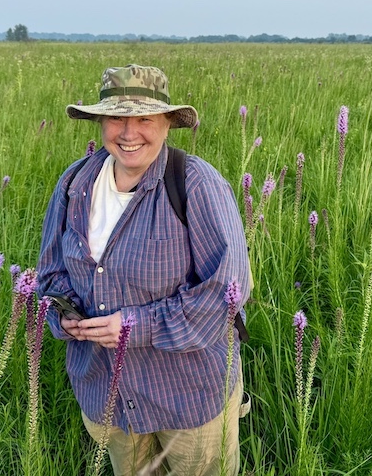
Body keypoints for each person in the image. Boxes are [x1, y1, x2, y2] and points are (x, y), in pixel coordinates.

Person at [37, 64, 251, 475]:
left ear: (167, 124)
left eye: (145, 119)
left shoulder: (196, 184)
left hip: (188, 400)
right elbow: (50, 274)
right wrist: (65, 318)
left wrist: (133, 326)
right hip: (108, 397)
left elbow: (227, 290)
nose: (129, 133)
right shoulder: (74, 184)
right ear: (101, 122)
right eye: (117, 118)